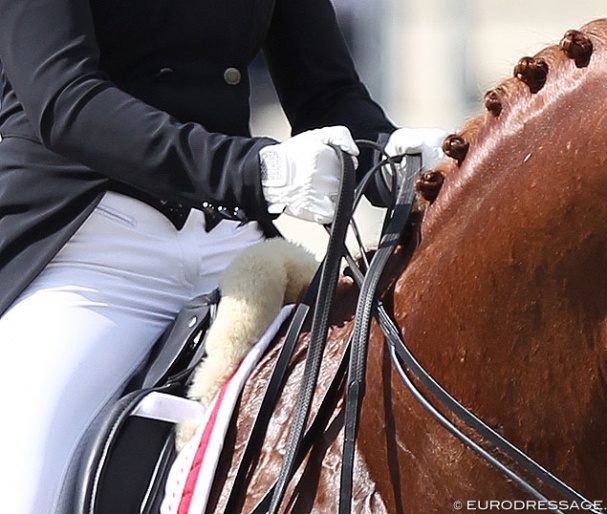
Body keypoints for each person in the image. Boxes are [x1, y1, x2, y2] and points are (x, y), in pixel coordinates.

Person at [0, 1, 447, 513]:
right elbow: (66, 99)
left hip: (233, 249)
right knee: (24, 495)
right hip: (92, 255)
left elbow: (327, 92)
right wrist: (254, 170)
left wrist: (389, 152)